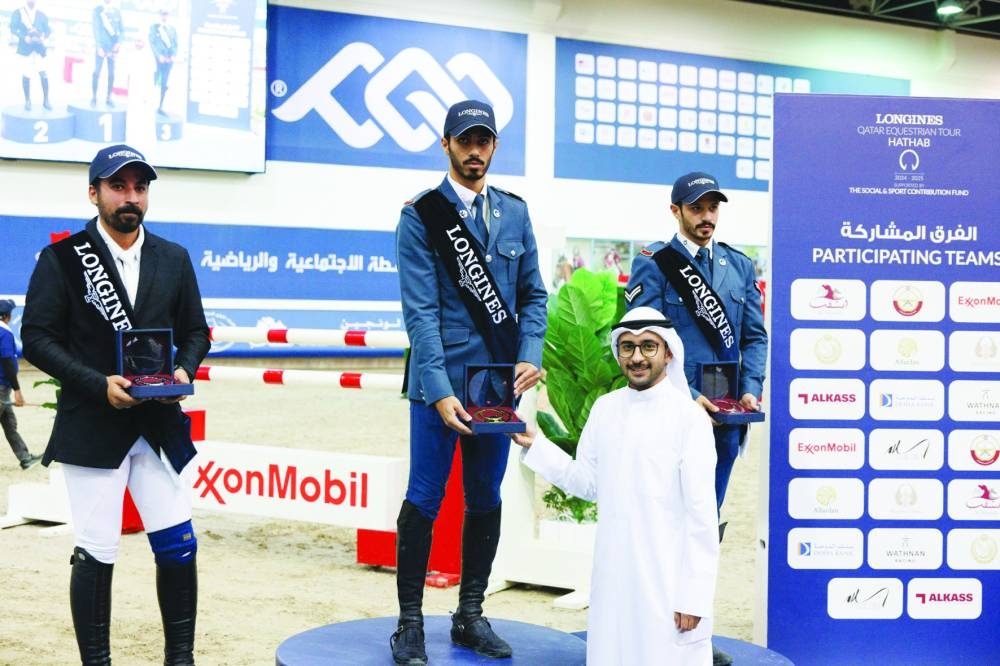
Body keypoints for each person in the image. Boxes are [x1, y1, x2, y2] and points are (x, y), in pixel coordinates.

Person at [21, 144, 210, 665]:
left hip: (157, 423)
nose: (131, 197)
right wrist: (95, 381)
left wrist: (183, 369)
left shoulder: (173, 258)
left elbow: (196, 331)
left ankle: (181, 659)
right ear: (94, 192)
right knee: (98, 550)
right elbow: (36, 338)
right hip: (93, 424)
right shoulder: (61, 259)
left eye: (140, 187)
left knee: (177, 545)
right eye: (119, 186)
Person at [390, 99, 548, 665]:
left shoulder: (516, 213)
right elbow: (420, 313)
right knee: (425, 498)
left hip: (497, 385)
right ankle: (409, 623)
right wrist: (438, 388)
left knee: (486, 497)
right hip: (441, 387)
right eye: (465, 141)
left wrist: (528, 354)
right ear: (446, 145)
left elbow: (533, 295)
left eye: (483, 141)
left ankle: (470, 615)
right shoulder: (421, 215)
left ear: (494, 146)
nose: (474, 150)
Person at [511, 307, 719, 665]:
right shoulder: (605, 409)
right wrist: (538, 444)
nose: (637, 357)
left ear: (668, 352)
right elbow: (588, 482)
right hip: (613, 578)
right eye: (627, 347)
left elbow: (702, 518)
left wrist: (694, 596)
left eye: (648, 347)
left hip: (667, 583)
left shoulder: (689, 419)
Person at [626, 172, 766, 666]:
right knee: (668, 523)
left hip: (726, 421)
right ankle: (656, 628)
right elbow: (641, 345)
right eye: (696, 208)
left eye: (713, 208)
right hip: (675, 416)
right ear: (676, 211)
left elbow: (754, 337)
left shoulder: (738, 266)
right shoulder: (654, 264)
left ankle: (694, 636)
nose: (706, 217)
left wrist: (749, 390)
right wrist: (687, 400)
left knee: (706, 523)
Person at [0, 299, 42, 470]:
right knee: (9, 422)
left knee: (9, 423)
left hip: (2, 387)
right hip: (2, 386)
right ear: (6, 317)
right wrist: (17, 390)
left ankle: (24, 457)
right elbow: (8, 361)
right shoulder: (5, 333)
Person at [10, 0, 52, 111]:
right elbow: (13, 29)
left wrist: (43, 38)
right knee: (26, 74)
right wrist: (24, 38)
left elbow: (48, 30)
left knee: (43, 74)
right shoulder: (18, 12)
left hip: (39, 49)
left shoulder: (41, 15)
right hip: (25, 48)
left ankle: (46, 100)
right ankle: (27, 100)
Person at [92, 0, 124, 108]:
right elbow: (96, 30)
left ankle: (108, 97)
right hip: (101, 47)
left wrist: (118, 43)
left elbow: (122, 30)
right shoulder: (97, 10)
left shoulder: (117, 12)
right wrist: (99, 47)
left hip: (112, 48)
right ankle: (94, 97)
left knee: (111, 74)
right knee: (96, 72)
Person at [148, 9, 178, 116]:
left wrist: (173, 55)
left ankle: (160, 106)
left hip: (168, 61)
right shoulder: (154, 28)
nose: (164, 16)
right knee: (155, 83)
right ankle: (151, 105)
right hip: (157, 61)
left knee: (164, 84)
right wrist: (159, 56)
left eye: (166, 14)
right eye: (162, 14)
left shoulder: (172, 29)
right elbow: (152, 43)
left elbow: (175, 44)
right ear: (159, 15)